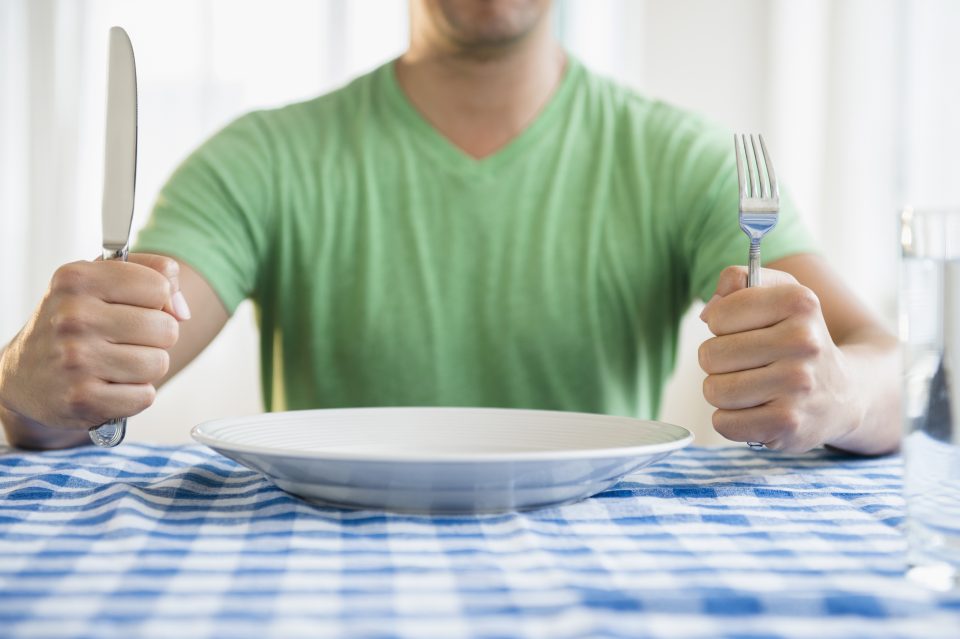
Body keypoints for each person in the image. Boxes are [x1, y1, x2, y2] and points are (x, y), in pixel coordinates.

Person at [0, 0, 898, 455]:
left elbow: (883, 359)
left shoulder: (686, 157)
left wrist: (843, 395)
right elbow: (103, 367)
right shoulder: (261, 157)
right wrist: (30, 384)